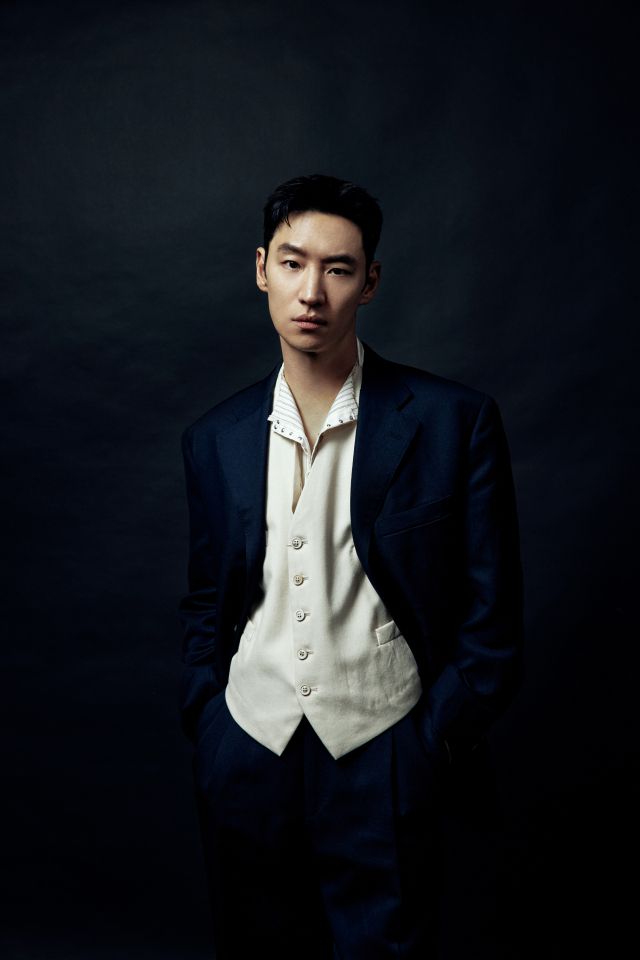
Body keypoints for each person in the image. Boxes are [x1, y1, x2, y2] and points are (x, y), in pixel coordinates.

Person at [178, 173, 524, 959]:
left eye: (337, 269)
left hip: (387, 754)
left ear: (369, 282)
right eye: (293, 263)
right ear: (261, 268)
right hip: (247, 752)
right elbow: (206, 599)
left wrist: (429, 742)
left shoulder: (452, 421)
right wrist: (210, 722)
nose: (312, 292)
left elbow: (493, 617)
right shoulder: (214, 439)